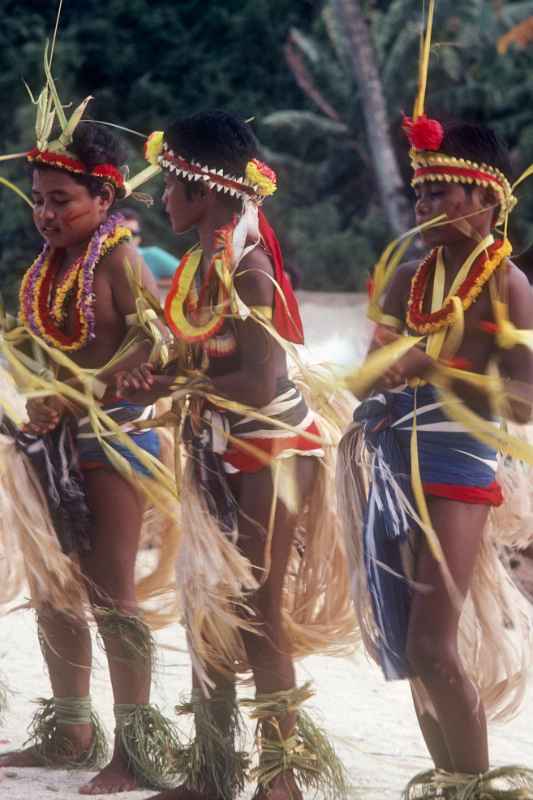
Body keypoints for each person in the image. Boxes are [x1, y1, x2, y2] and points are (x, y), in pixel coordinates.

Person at [118, 110, 355, 800]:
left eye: (171, 184)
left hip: (272, 452)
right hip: (220, 445)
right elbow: (201, 358)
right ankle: (213, 772)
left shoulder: (250, 272)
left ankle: (280, 779)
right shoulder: (199, 266)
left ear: (206, 189)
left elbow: (259, 381)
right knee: (206, 608)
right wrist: (154, 375)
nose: (162, 197)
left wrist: (179, 386)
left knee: (256, 609)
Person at [338, 105, 533, 797]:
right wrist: (378, 377)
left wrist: (435, 371)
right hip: (394, 462)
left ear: (487, 198)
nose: (422, 205)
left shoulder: (508, 286)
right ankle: (453, 784)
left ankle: (475, 787)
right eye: (418, 192)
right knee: (407, 646)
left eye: (439, 191)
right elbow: (365, 374)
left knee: (431, 644)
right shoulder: (406, 279)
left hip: (458, 463)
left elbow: (523, 403)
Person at [0, 116, 180, 794]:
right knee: (53, 590)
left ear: (104, 197)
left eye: (61, 200)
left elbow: (156, 344)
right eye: (38, 200)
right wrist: (42, 402)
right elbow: (51, 357)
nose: (46, 213)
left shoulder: (121, 259)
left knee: (112, 597)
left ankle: (133, 750)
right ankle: (71, 731)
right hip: (55, 444)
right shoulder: (51, 265)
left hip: (114, 439)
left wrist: (79, 396)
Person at [120, 206, 179, 293]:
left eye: (133, 233)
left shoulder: (151, 255)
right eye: (121, 232)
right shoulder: (101, 260)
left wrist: (153, 284)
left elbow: (188, 275)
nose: (127, 237)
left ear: (139, 238)